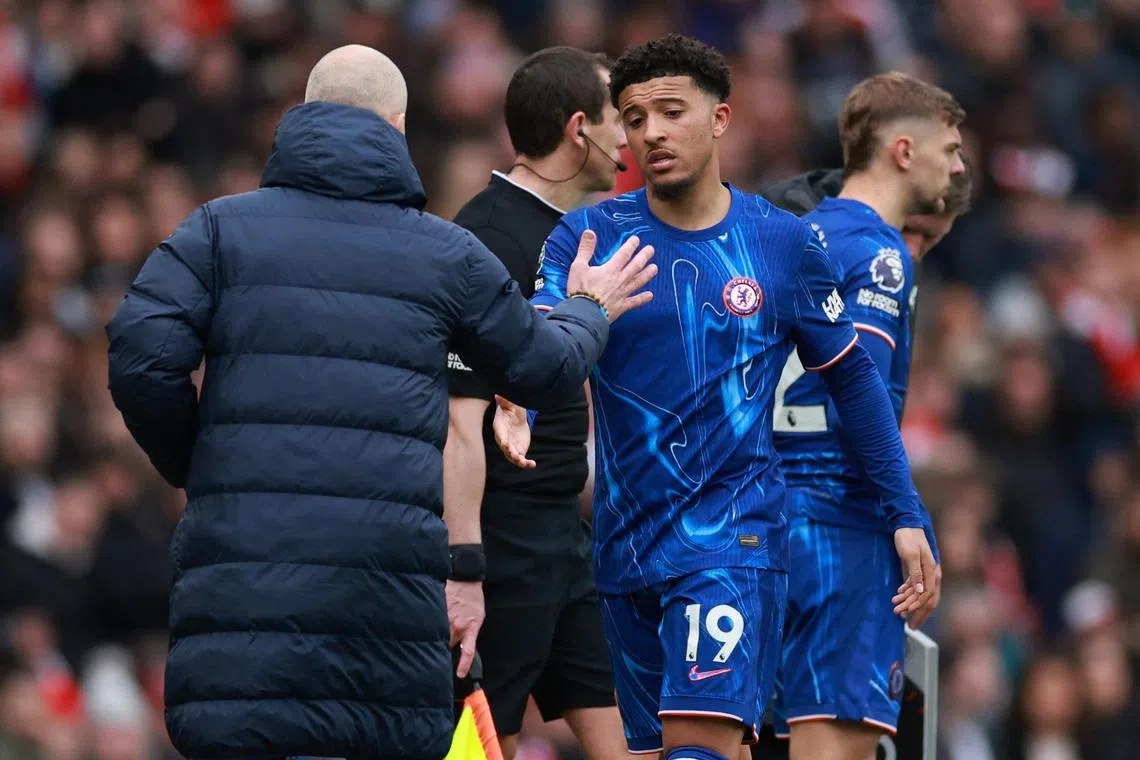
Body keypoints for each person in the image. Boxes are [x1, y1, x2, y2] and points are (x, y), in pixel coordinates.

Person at [104, 44, 657, 760]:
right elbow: (545, 370)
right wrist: (587, 307)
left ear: (302, 116)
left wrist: (200, 461)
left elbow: (141, 357)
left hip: (244, 606)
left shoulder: (217, 231)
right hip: (385, 612)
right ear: (397, 127)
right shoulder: (446, 253)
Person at [493, 35, 939, 760]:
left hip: (733, 538)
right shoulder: (589, 235)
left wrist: (904, 511)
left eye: (672, 112)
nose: (651, 133)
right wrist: (522, 404)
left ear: (721, 118)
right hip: (625, 545)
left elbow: (855, 380)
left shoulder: (782, 244)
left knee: (698, 747)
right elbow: (543, 337)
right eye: (634, 118)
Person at [761, 72, 967, 760]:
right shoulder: (879, 253)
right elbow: (858, 393)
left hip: (760, 521)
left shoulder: (788, 236)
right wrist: (907, 513)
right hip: (839, 526)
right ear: (903, 151)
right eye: (950, 149)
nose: (958, 167)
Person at [443, 47, 632, 760]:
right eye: (617, 118)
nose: (628, 137)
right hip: (506, 542)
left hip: (564, 538)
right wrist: (466, 565)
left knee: (630, 736)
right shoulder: (485, 239)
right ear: (579, 128)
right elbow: (458, 421)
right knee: (491, 742)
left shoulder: (580, 230)